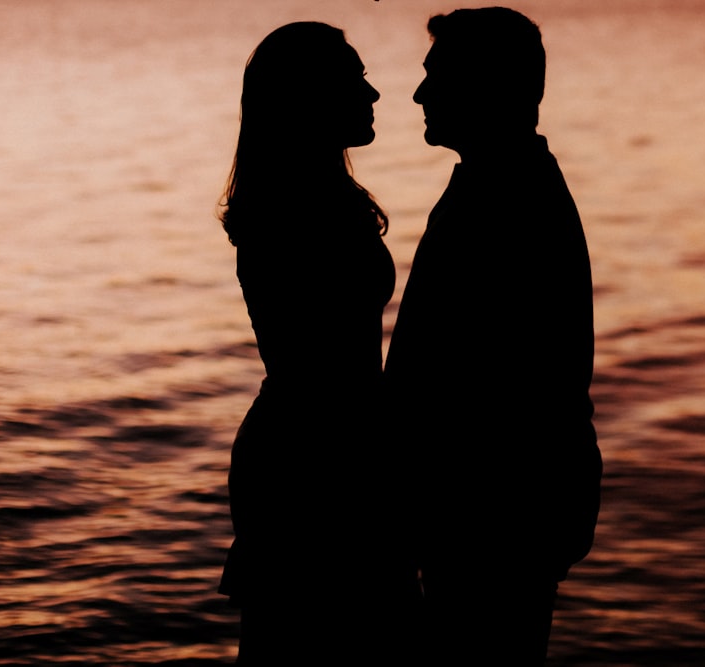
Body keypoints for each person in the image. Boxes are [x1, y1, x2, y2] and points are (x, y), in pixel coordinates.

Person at [385, 7, 602, 665]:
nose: (420, 94)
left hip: (493, 513)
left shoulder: (508, 197)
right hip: (502, 506)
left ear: (484, 84)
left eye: (436, 76)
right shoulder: (501, 179)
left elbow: (485, 381)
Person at [216, 22, 416, 664]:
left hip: (329, 444)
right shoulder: (289, 213)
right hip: (312, 457)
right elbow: (322, 369)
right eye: (356, 80)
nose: (376, 94)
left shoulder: (319, 199)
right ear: (311, 98)